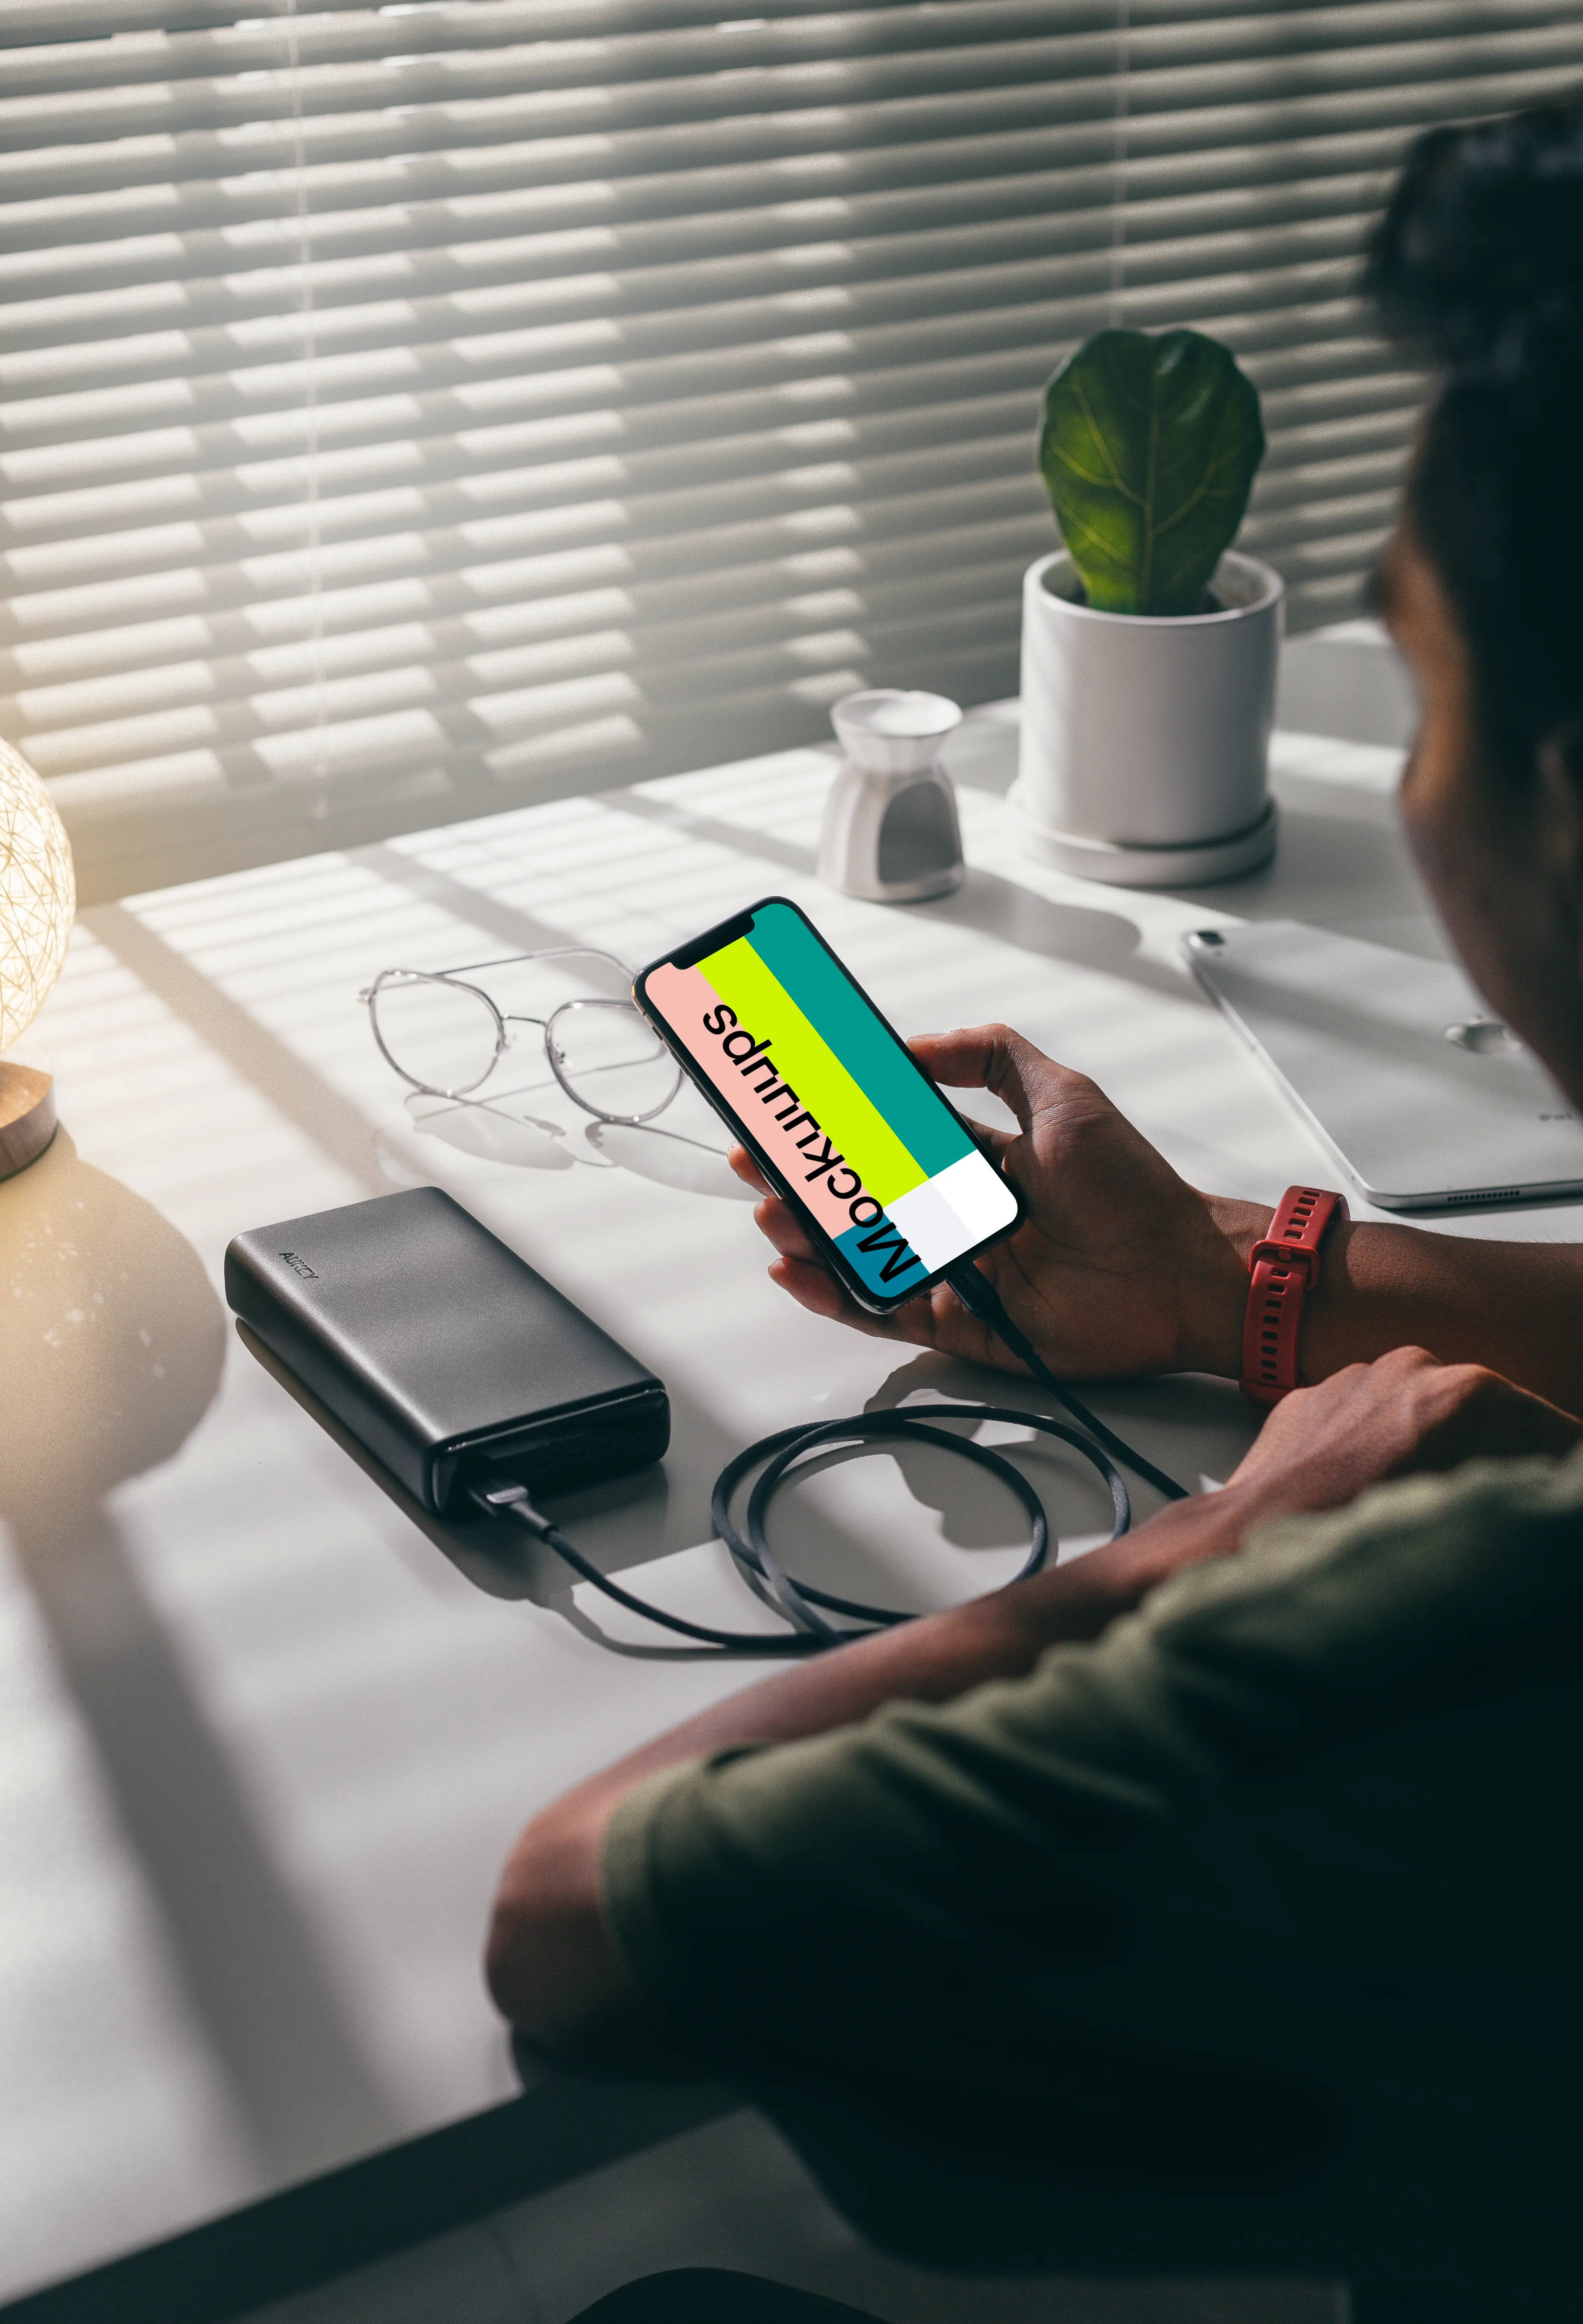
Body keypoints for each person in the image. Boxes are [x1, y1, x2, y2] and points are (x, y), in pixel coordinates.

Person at [488, 100, 1583, 2319]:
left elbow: (582, 1925)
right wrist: (1234, 1281)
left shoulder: (1479, 1619)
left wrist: (1251, 1529)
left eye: (1418, 671)